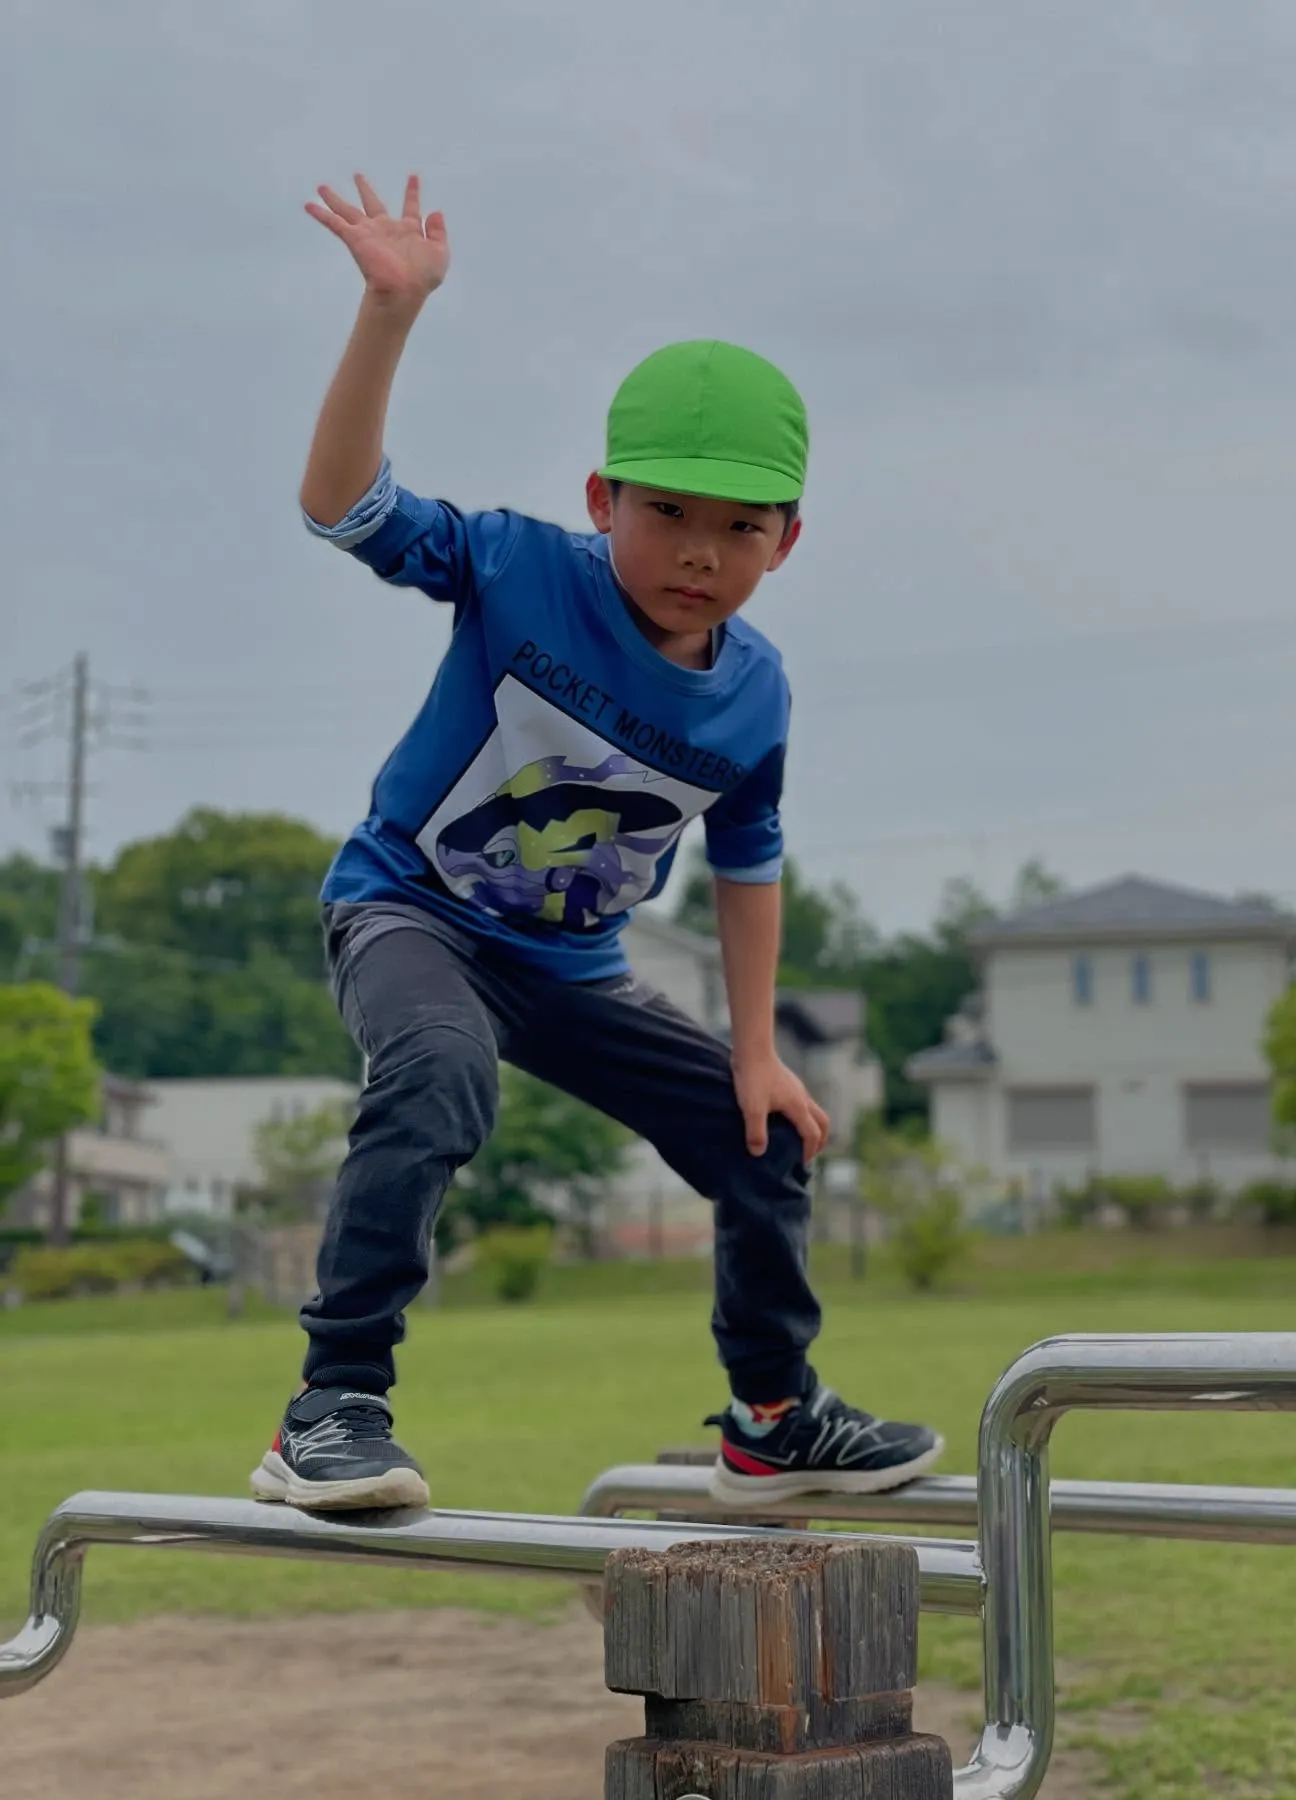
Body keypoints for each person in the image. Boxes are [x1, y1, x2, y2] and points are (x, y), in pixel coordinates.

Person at [250, 171, 943, 1513]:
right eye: (668, 513)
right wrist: (390, 314)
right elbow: (343, 507)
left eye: (739, 526)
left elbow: (751, 857)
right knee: (444, 1070)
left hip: (572, 971)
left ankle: (774, 1417)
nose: (700, 551)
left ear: (786, 541)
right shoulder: (518, 570)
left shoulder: (756, 692)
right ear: (603, 500)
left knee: (766, 1133)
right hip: (415, 913)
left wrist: (756, 1054)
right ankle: (333, 1406)